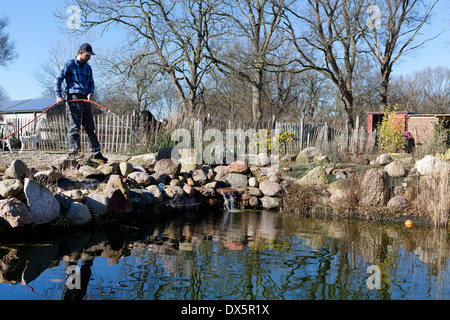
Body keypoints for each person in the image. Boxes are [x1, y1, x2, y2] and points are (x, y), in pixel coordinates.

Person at [55, 43, 108, 162]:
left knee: (90, 126)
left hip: (86, 99)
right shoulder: (69, 65)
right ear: (80, 53)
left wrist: (90, 93)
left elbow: (91, 83)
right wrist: (59, 96)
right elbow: (58, 79)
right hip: (73, 98)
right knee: (74, 126)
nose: (89, 57)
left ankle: (95, 152)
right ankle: (73, 152)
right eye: (88, 55)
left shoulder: (88, 68)